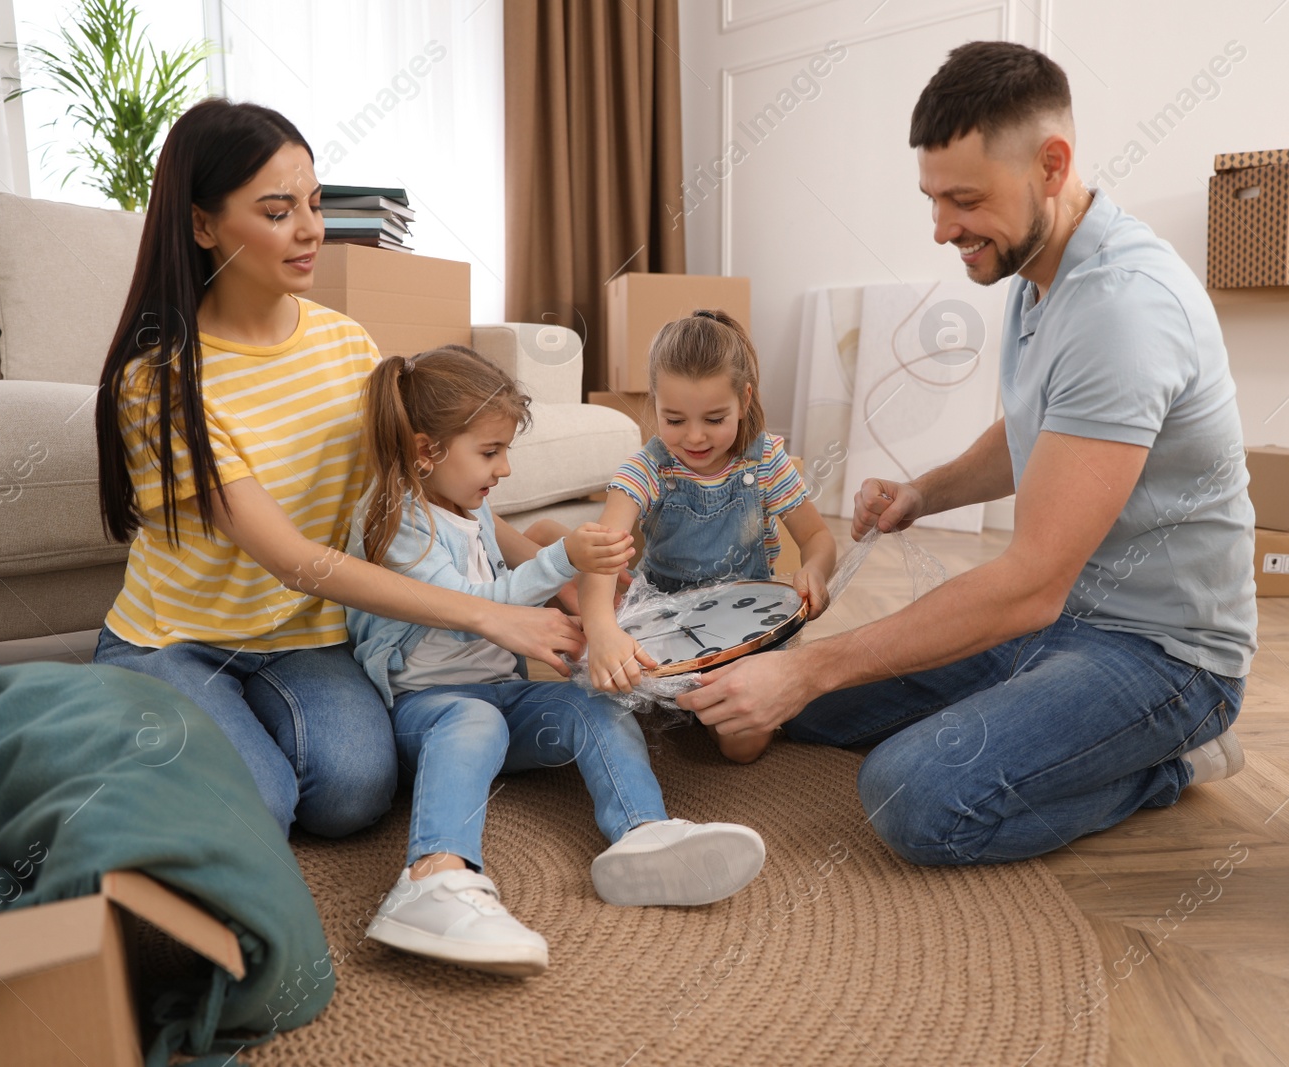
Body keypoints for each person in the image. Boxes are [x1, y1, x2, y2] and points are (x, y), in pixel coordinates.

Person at [677, 41, 1258, 865]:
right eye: (934, 198)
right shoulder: (1038, 270)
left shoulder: (1124, 311)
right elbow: (1040, 437)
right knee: (788, 707)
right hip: (1057, 625)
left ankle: (1170, 761)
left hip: (1160, 654)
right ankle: (1035, 713)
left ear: (1051, 165)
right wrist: (927, 490)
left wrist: (811, 670)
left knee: (912, 793)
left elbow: (1028, 585)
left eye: (964, 200)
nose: (944, 228)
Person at [92, 99, 583, 840]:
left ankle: (212, 736)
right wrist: (492, 612)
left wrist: (550, 566)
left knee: (355, 794)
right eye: (277, 209)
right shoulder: (161, 380)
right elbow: (293, 560)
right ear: (202, 225)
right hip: (179, 636)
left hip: (307, 637)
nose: (311, 229)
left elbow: (432, 494)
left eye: (315, 204)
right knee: (260, 807)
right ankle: (131, 706)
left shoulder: (346, 344)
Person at [346, 346, 768, 974]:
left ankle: (641, 833)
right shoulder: (392, 520)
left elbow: (515, 568)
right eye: (490, 453)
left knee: (590, 705)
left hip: (499, 698)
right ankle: (433, 875)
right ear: (423, 451)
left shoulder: (469, 505)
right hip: (422, 713)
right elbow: (468, 611)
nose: (505, 469)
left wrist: (578, 601)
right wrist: (559, 559)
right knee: (475, 722)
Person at [578, 310, 838, 763]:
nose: (694, 438)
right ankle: (545, 546)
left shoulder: (765, 460)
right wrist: (600, 629)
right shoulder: (649, 467)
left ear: (745, 399)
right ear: (654, 402)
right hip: (663, 623)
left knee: (743, 745)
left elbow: (817, 535)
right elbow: (601, 549)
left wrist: (814, 571)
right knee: (608, 705)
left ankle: (691, 698)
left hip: (747, 630)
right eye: (674, 420)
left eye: (715, 419)